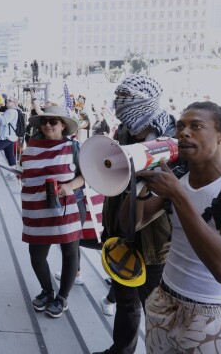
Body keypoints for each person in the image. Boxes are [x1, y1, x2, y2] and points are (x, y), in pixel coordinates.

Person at [130, 101, 221, 353]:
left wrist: (178, 195)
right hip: (165, 299)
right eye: (180, 126)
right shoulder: (180, 175)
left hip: (213, 315)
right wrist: (140, 188)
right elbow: (136, 223)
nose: (183, 132)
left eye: (196, 126)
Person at [93, 74, 176, 354]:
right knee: (126, 298)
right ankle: (122, 349)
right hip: (120, 228)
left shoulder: (171, 138)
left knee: (153, 306)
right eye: (119, 97)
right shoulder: (125, 132)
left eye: (128, 99)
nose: (121, 104)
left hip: (154, 241)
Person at [21, 105, 86, 318]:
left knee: (70, 252)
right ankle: (47, 291)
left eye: (53, 121)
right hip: (38, 207)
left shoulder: (74, 147)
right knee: (36, 254)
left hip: (69, 205)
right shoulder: (31, 146)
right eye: (44, 121)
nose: (47, 125)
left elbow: (87, 175)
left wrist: (69, 186)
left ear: (63, 125)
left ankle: (62, 298)